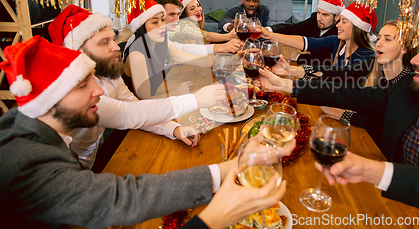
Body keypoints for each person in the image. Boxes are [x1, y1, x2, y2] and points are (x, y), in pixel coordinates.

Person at [0, 36, 289, 228]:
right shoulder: (27, 162)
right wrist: (214, 218)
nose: (98, 90)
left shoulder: (31, 128)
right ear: (48, 101)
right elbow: (123, 199)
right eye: (81, 86)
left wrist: (233, 166)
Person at [258, 31, 419, 215]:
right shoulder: (406, 89)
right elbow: (349, 94)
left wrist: (375, 171)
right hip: (383, 208)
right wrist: (286, 85)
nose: (414, 59)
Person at [48, 5, 225, 167]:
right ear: (78, 50)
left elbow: (135, 106)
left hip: (97, 156)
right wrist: (195, 99)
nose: (116, 47)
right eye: (104, 42)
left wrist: (174, 129)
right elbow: (127, 114)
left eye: (113, 40)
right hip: (72, 172)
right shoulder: (74, 90)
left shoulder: (109, 74)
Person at [261, 2, 376, 71]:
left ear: (357, 28)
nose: (338, 25)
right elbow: (307, 42)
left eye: (344, 22)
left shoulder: (367, 58)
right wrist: (269, 34)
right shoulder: (337, 41)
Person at [268, 0, 343, 38]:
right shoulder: (314, 19)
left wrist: (298, 56)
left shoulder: (340, 31)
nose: (319, 18)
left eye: (325, 15)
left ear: (337, 16)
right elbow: (293, 28)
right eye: (319, 12)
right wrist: (269, 29)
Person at [170, 0, 237, 45]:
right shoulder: (184, 25)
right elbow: (207, 37)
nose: (198, 10)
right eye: (192, 9)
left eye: (198, 5)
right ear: (184, 13)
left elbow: (201, 46)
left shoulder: (193, 25)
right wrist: (229, 36)